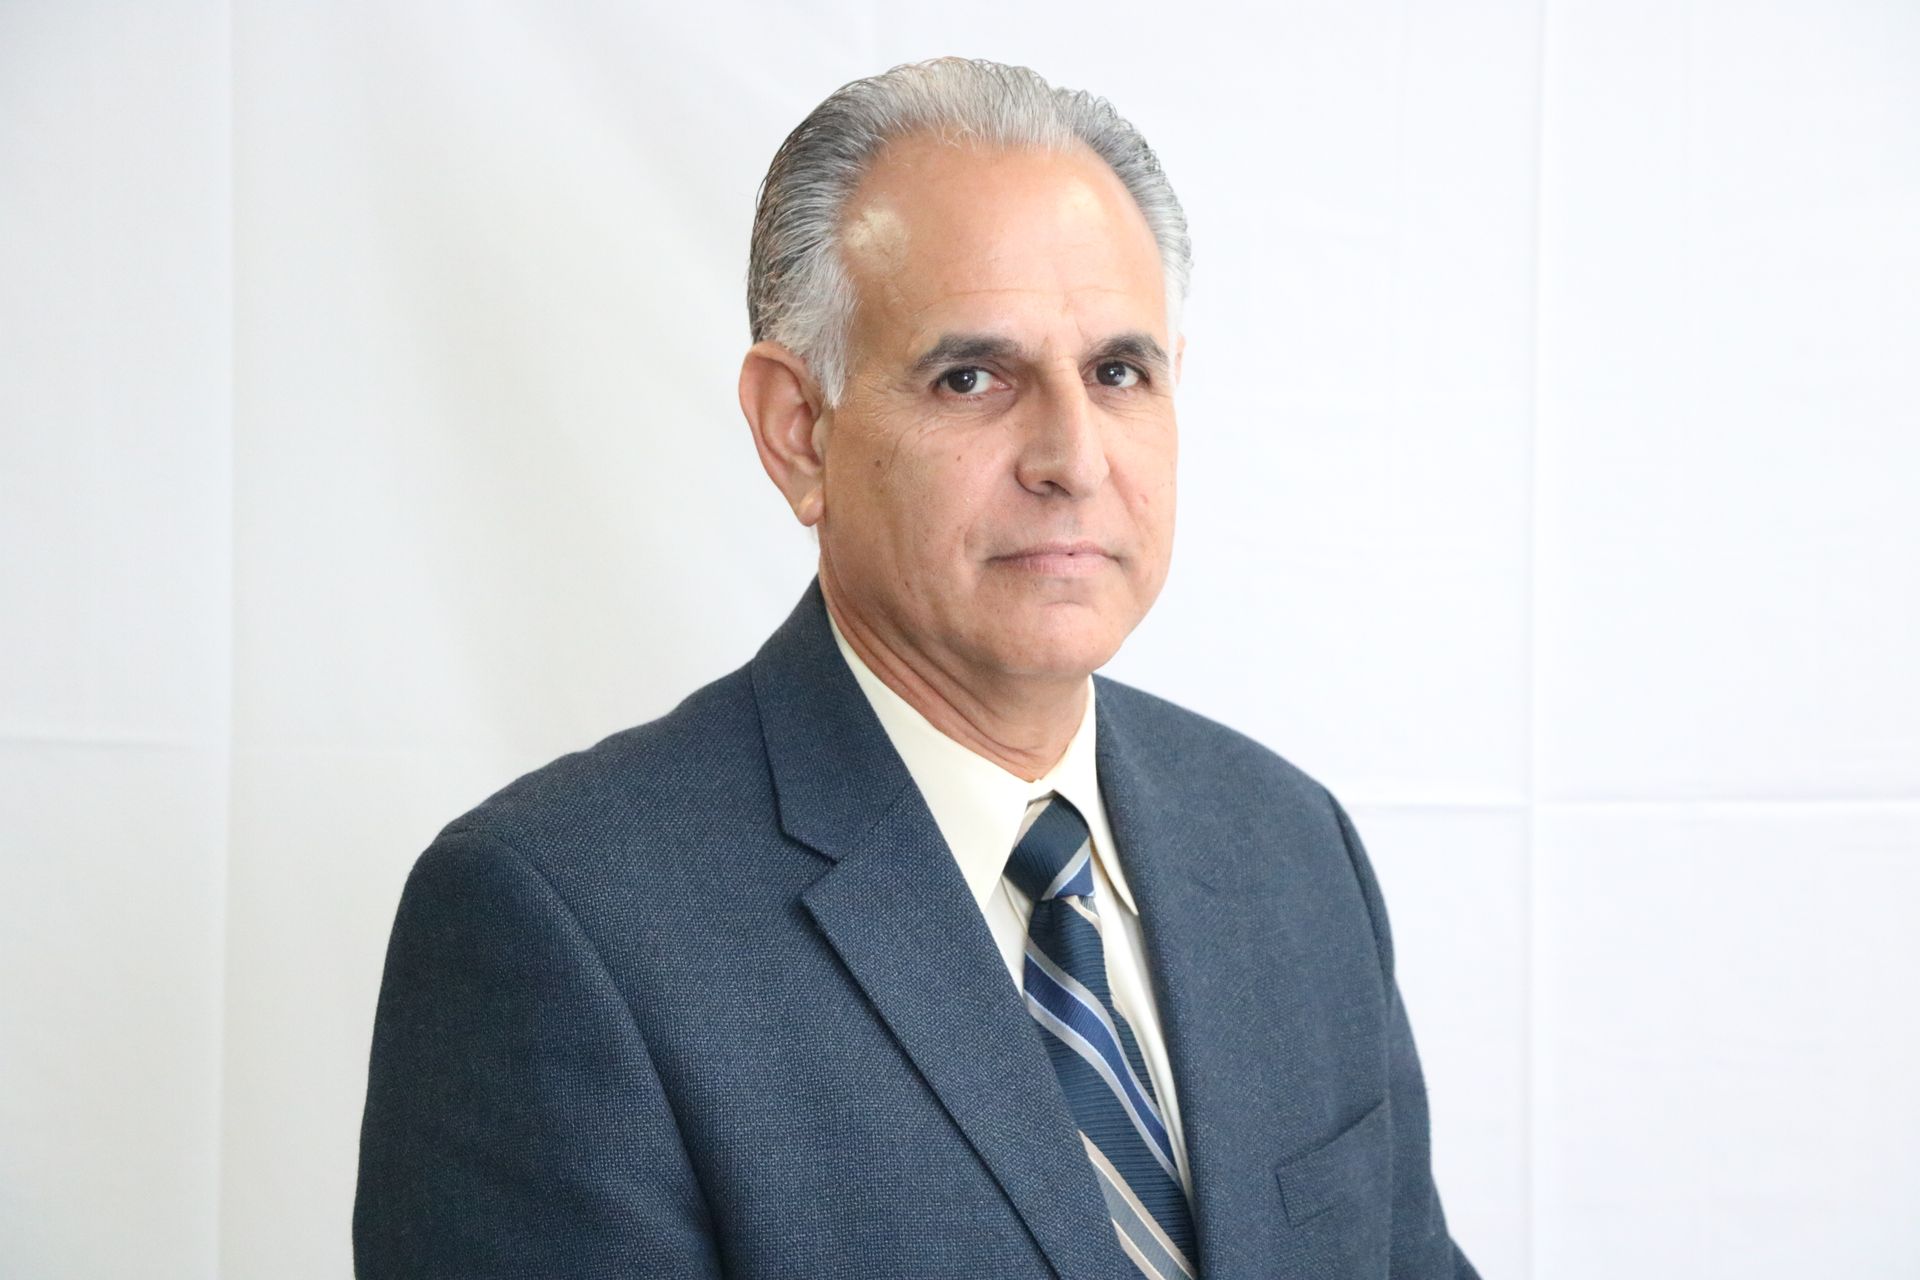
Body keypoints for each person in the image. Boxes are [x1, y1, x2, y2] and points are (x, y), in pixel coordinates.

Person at [353, 57, 1480, 1280]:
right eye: (972, 376)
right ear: (801, 433)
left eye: (1117, 372)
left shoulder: (1289, 844)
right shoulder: (562, 924)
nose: (1072, 455)